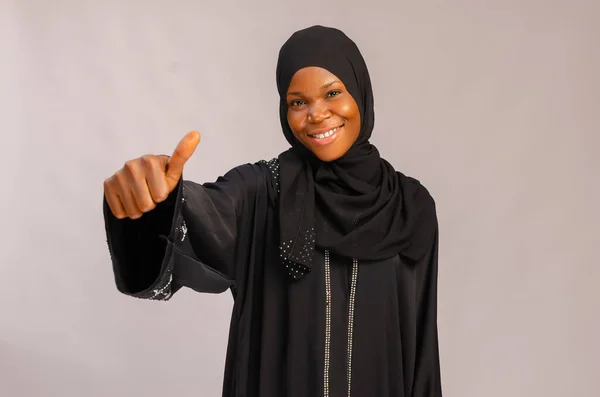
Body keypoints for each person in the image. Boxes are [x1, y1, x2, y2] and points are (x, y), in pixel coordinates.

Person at [103, 25, 441, 397]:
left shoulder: (409, 206)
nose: (316, 113)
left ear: (360, 92)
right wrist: (156, 201)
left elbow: (421, 345)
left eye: (332, 93)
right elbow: (200, 218)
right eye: (298, 102)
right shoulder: (261, 193)